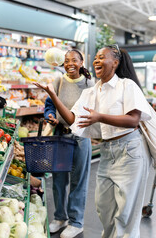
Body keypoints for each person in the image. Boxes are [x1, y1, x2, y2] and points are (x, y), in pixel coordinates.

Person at [34, 45, 152, 238]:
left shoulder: (126, 85)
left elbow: (133, 120)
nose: (96, 60)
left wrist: (99, 117)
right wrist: (53, 96)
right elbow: (73, 120)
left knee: (126, 211)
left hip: (130, 149)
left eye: (101, 57)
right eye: (95, 57)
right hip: (107, 150)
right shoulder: (93, 91)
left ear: (115, 62)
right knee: (104, 207)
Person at [43, 49, 94, 238]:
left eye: (74, 60)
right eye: (66, 61)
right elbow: (49, 105)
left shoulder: (90, 84)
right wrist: (49, 115)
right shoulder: (59, 81)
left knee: (78, 181)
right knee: (58, 180)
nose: (69, 64)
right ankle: (60, 217)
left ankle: (76, 222)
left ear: (81, 62)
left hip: (81, 136)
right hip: (61, 135)